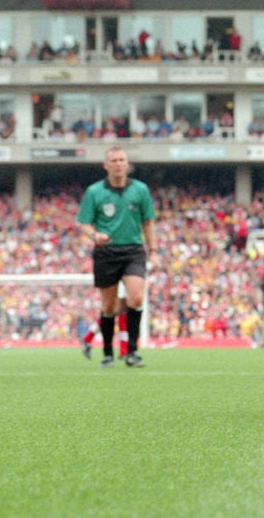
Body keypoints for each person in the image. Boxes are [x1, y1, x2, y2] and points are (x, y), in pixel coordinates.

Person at [76, 146, 158, 368]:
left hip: (133, 250)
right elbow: (84, 223)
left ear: (127, 163)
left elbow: (148, 222)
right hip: (106, 253)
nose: (118, 164)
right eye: (114, 160)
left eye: (122, 159)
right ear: (106, 165)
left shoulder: (140, 190)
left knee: (136, 298)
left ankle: (132, 351)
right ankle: (107, 353)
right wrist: (95, 235)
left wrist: (154, 251)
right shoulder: (94, 192)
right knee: (109, 306)